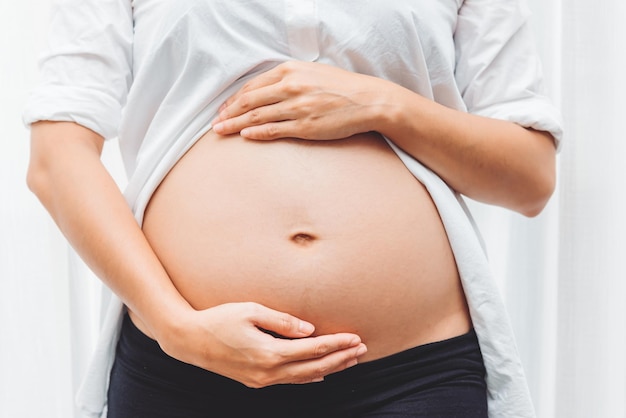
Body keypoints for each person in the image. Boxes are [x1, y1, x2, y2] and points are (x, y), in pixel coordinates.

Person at [23, 0, 562, 417]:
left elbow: (530, 179)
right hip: (183, 366)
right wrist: (175, 325)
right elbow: (57, 156)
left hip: (412, 379)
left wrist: (385, 104)